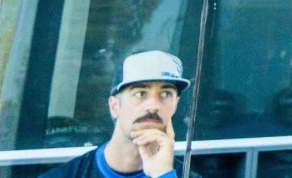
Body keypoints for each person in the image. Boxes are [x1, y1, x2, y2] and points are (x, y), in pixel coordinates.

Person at [42, 50, 188, 178]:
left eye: (165, 94)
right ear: (114, 106)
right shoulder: (68, 174)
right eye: (140, 93)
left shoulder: (181, 174)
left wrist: (162, 174)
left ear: (175, 104)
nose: (153, 106)